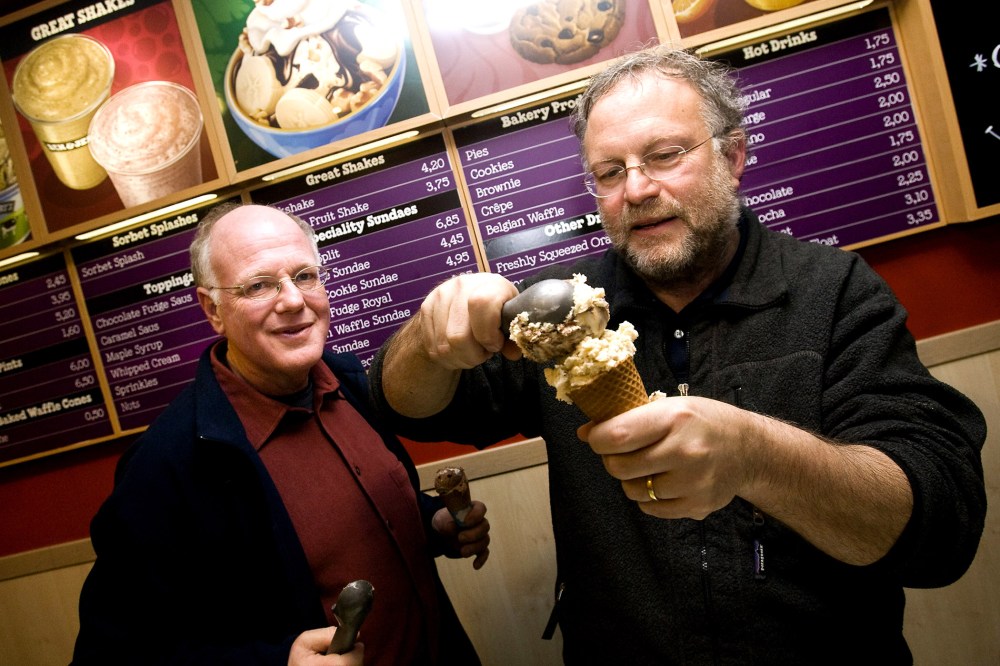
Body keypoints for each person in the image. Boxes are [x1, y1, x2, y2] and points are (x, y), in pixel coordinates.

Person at [368, 46, 987, 664]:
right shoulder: (556, 315)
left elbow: (941, 528)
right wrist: (428, 341)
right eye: (609, 172)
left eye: (665, 155)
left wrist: (754, 456)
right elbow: (410, 409)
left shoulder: (834, 292)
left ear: (733, 156)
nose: (636, 188)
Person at [71, 202, 490, 666]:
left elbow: (362, 521)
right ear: (212, 309)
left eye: (305, 276)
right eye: (258, 285)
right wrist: (278, 663)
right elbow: (114, 653)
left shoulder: (352, 383)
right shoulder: (166, 465)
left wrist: (433, 524)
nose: (293, 300)